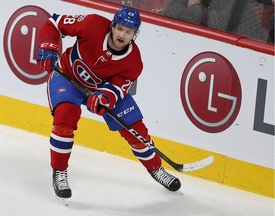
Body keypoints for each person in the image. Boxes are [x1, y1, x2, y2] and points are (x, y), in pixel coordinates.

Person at [36, 6, 181, 201]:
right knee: (65, 120)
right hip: (67, 77)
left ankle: (156, 169)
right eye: (120, 28)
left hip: (100, 89)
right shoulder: (92, 24)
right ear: (112, 26)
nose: (122, 35)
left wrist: (105, 96)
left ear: (135, 35)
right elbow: (54, 22)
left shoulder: (134, 61)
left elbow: (119, 87)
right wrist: (48, 44)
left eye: (129, 32)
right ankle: (59, 172)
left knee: (134, 128)